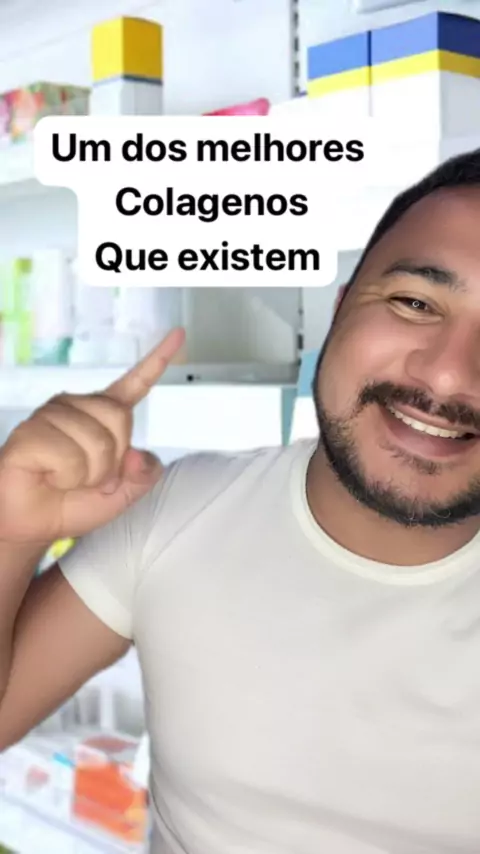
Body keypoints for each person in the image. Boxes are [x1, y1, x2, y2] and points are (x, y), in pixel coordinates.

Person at [1, 148, 480, 854]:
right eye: (414, 303)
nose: (448, 374)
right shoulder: (180, 509)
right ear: (339, 308)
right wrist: (11, 534)